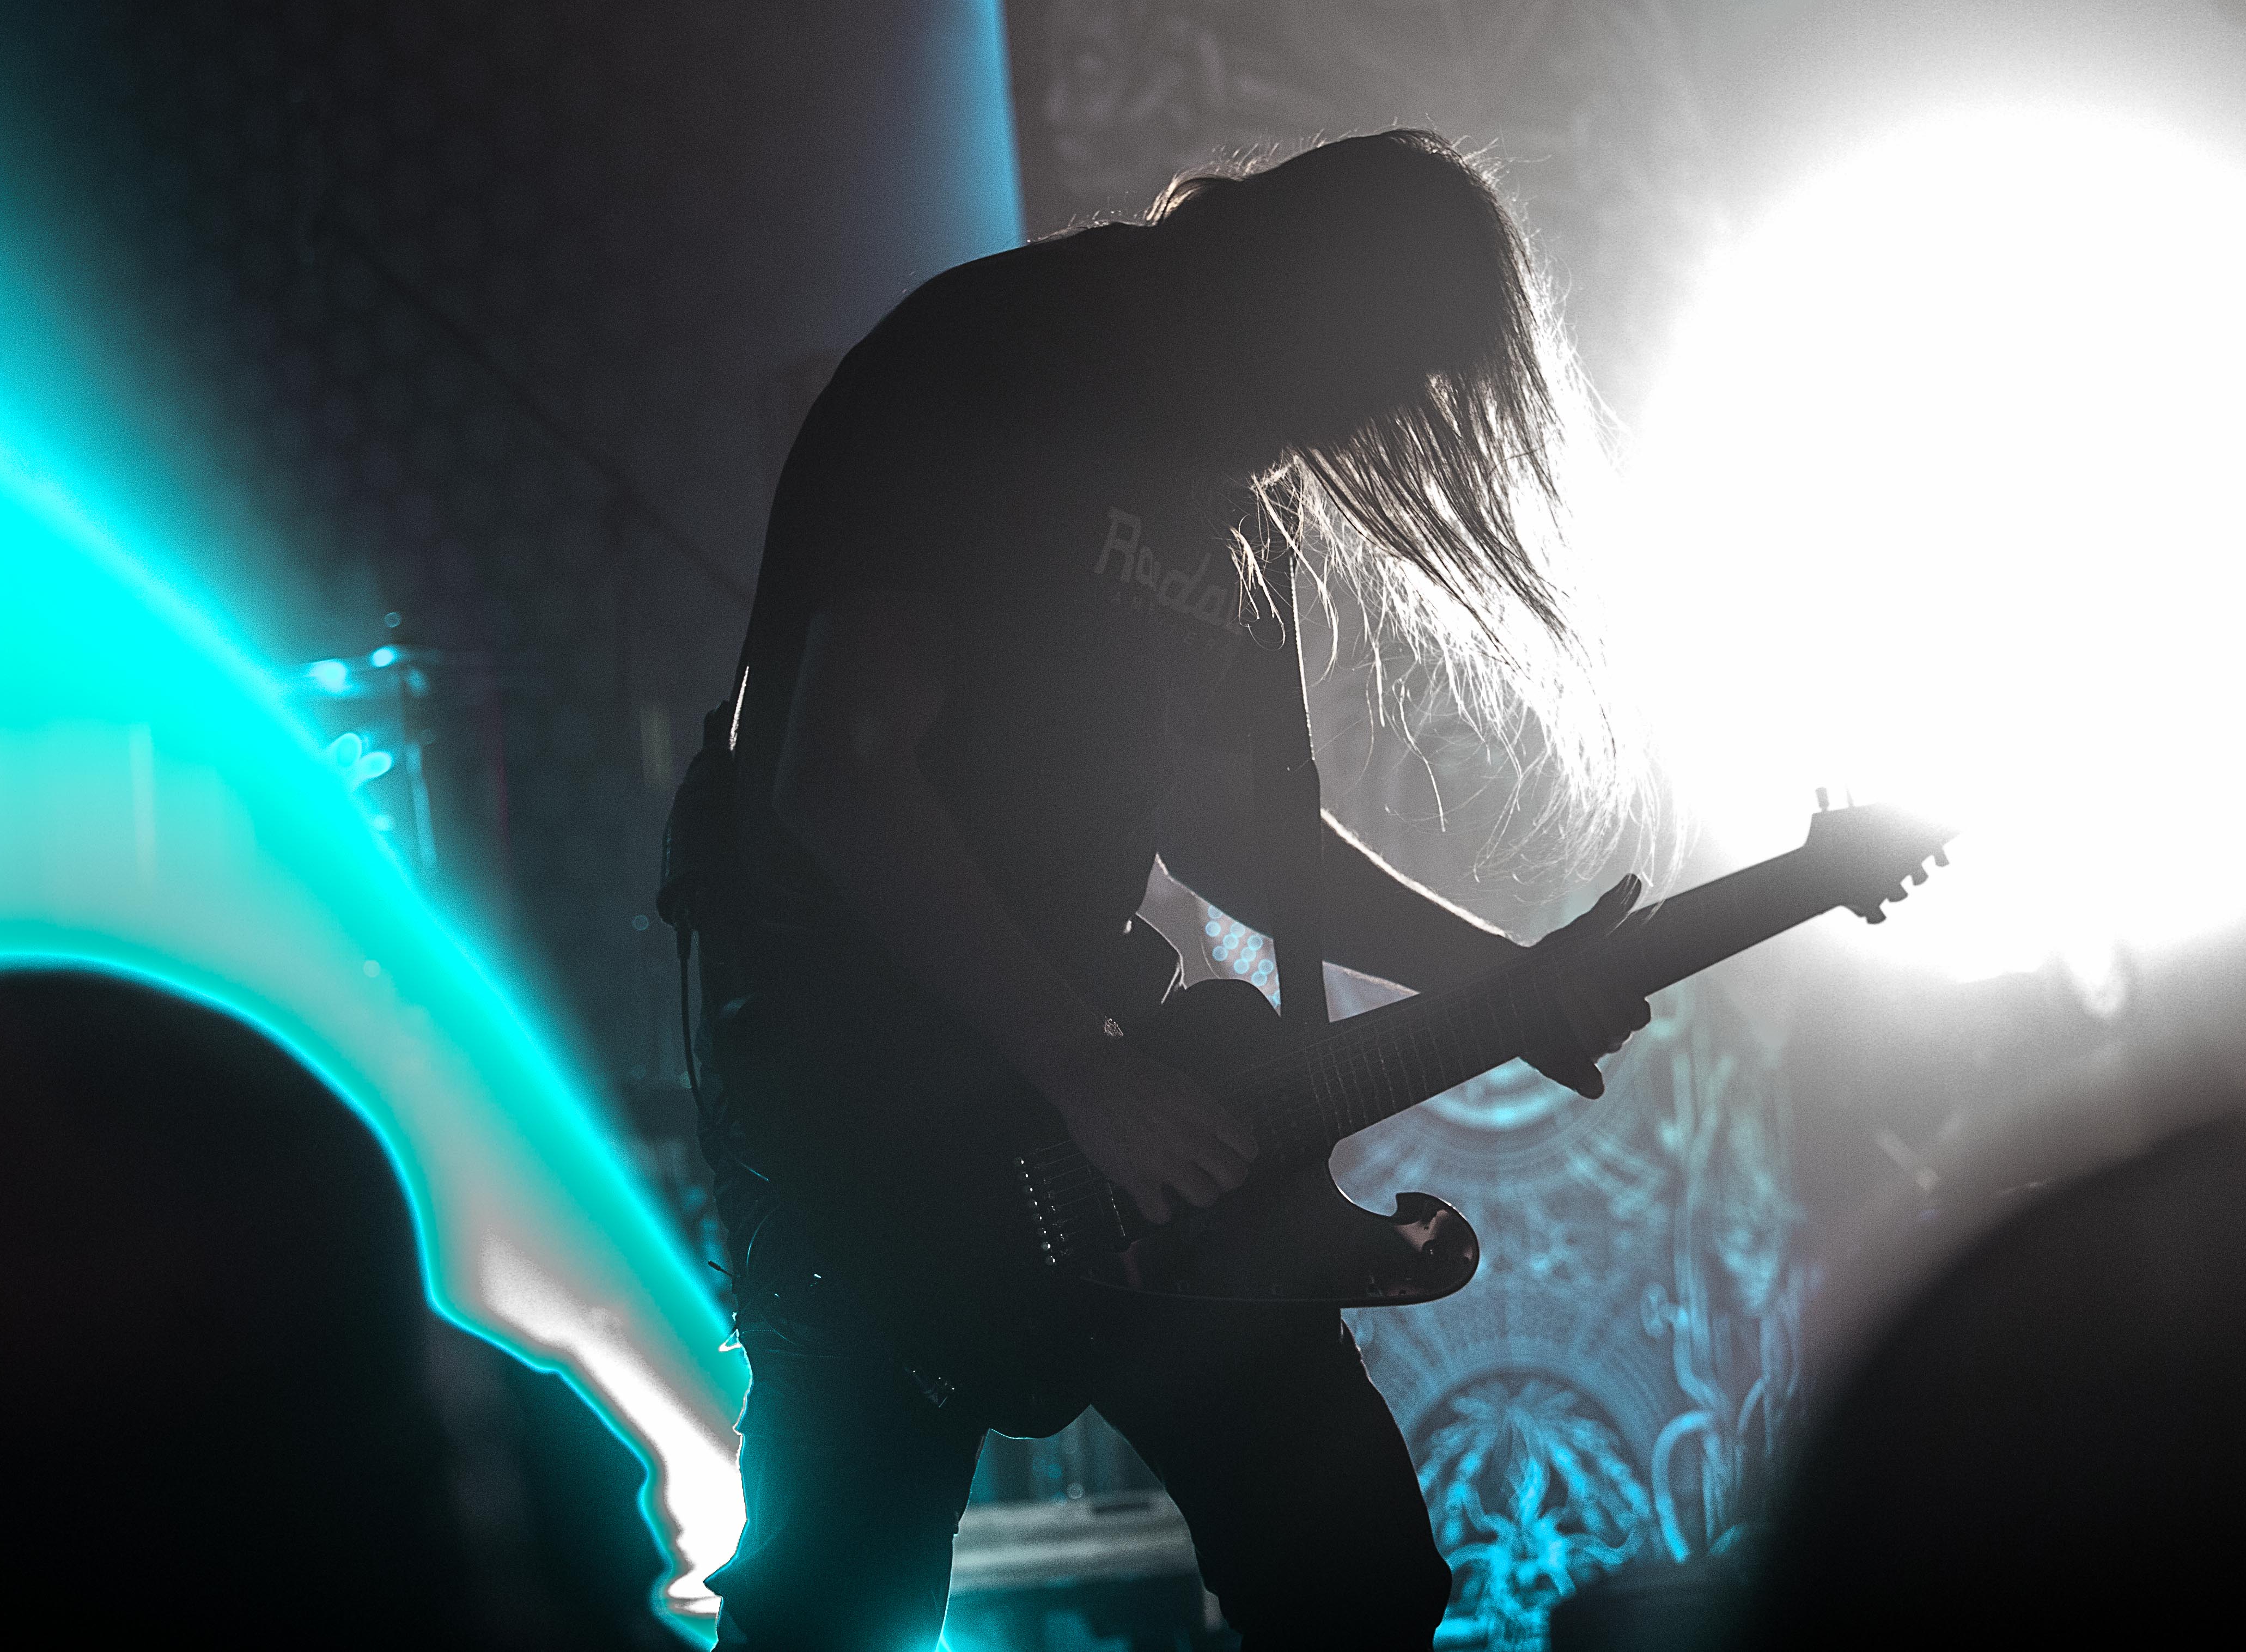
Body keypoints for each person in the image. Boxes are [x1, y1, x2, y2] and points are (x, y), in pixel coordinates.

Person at [693, 129, 1652, 1649]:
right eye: (1378, 370)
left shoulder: (1230, 482)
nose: (1369, 422)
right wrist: (1085, 1066)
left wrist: (1499, 977)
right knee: (839, 1601)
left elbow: (1232, 830)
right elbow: (843, 775)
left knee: (1352, 1579)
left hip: (1095, 1074)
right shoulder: (1004, 361)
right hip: (856, 1089)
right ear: (1310, 293)